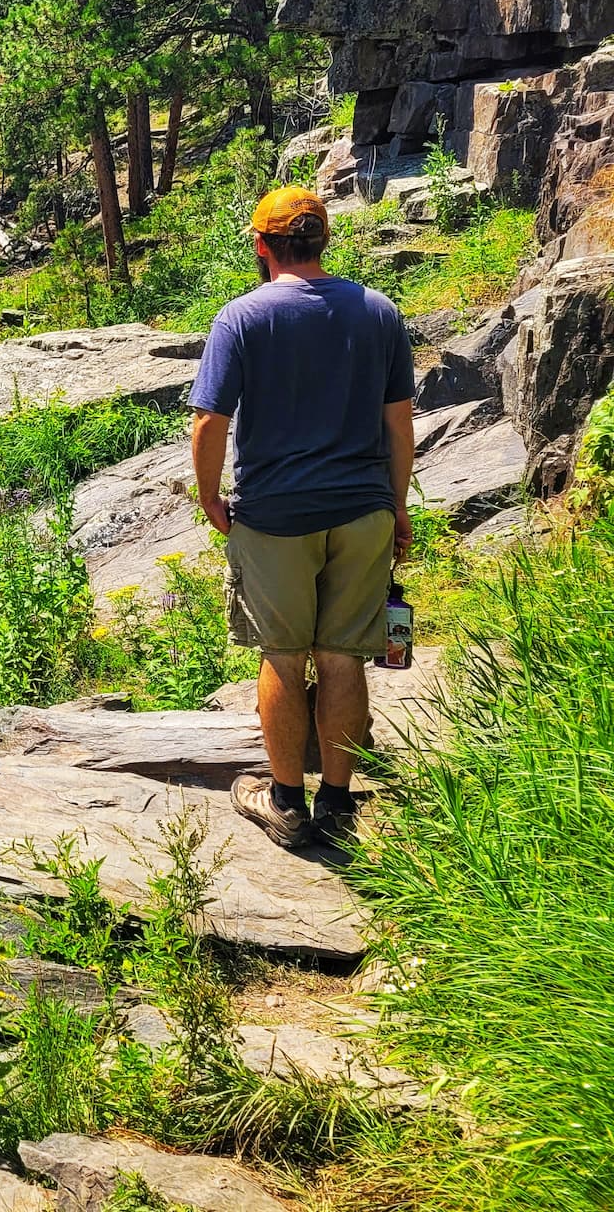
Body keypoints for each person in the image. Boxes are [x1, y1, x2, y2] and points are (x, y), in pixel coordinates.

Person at [188, 185, 416, 848]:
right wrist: (396, 506)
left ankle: (286, 805)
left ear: (262, 246)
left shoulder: (241, 318)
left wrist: (210, 498)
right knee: (343, 661)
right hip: (362, 510)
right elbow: (399, 426)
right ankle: (340, 809)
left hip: (274, 517)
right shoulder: (379, 312)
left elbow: (209, 423)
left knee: (284, 658)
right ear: (323, 242)